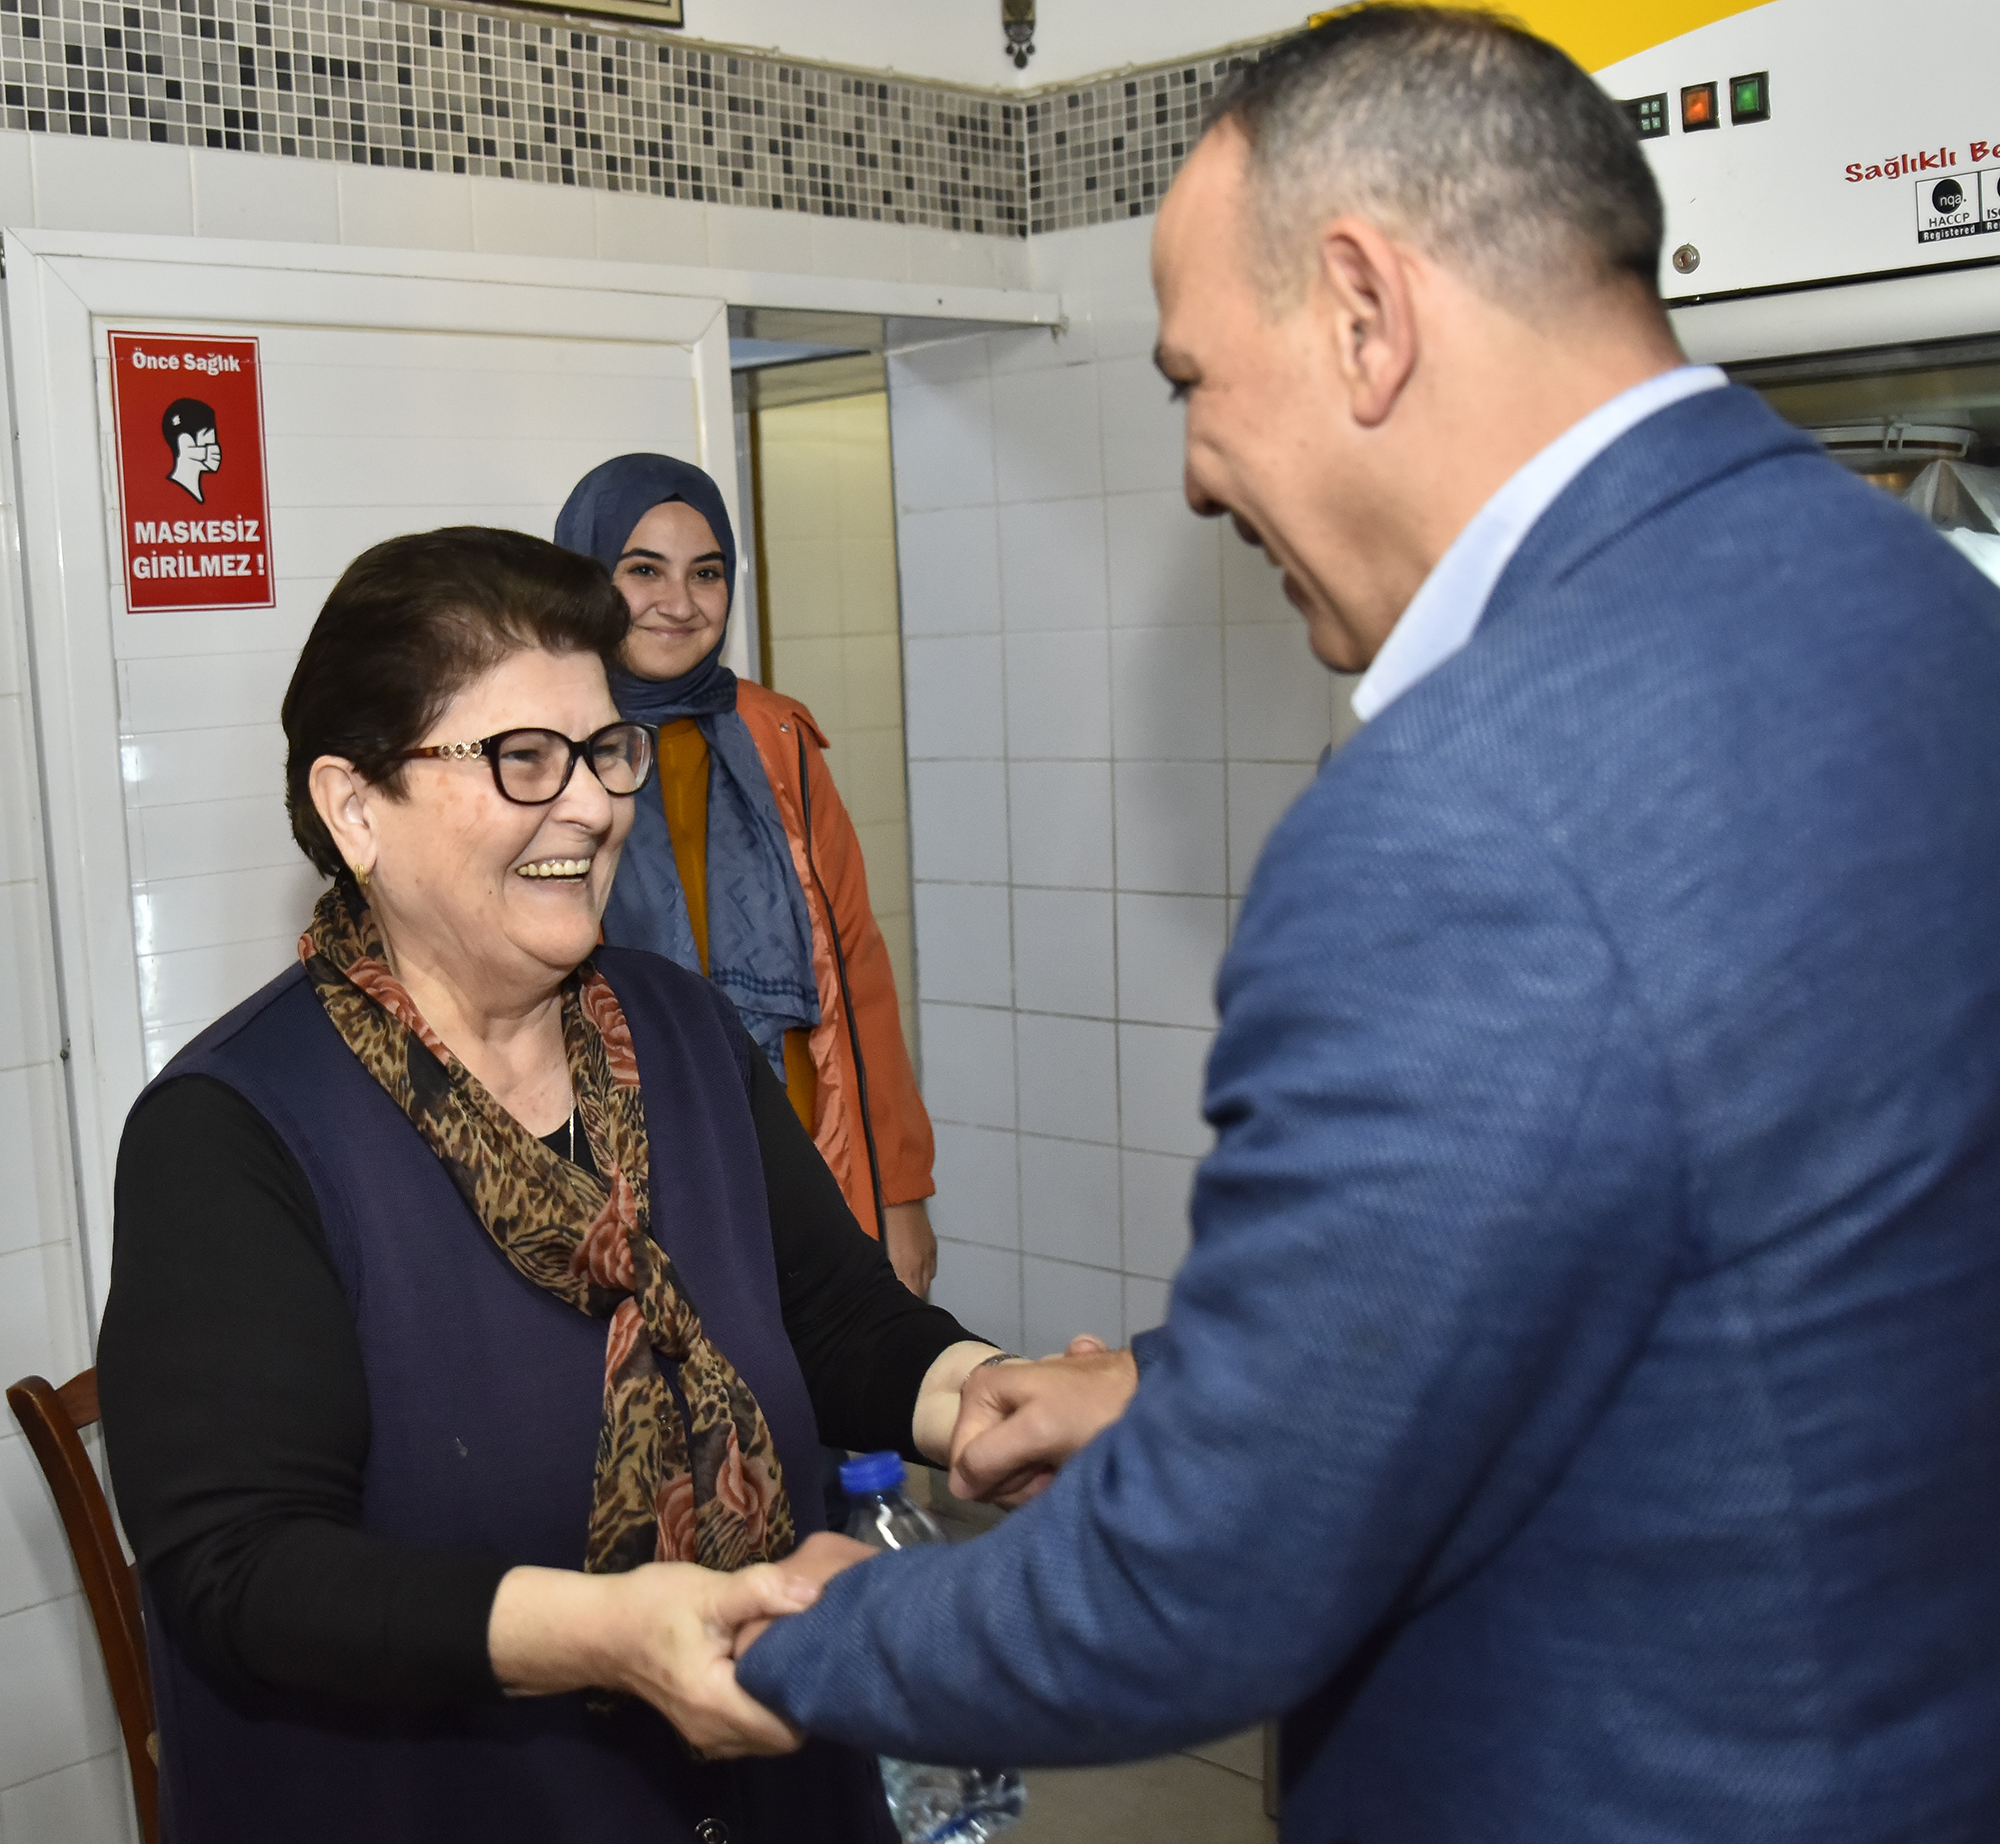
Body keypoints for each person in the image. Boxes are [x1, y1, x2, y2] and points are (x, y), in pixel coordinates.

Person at [735, 9, 2000, 1839]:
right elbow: (1713, 1230)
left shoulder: (1466, 809)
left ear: (1361, 310)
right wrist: (1183, 1382)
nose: (1194, 471)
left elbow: (1197, 1589)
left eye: (1192, 379)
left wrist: (815, 1633)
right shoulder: (1922, 602)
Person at [95, 527, 1004, 1843]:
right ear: (356, 806)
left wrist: (991, 1397)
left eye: (602, 748)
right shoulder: (237, 1130)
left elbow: (836, 1318)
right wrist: (604, 1629)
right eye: (523, 757)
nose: (589, 803)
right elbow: (246, 1569)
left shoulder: (679, 1032)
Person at [556, 455, 938, 1298]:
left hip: (803, 1152)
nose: (680, 603)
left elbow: (856, 973)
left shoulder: (777, 737)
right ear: (587, 577)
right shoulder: (546, 748)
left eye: (707, 573)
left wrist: (899, 1191)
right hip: (628, 1171)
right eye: (643, 570)